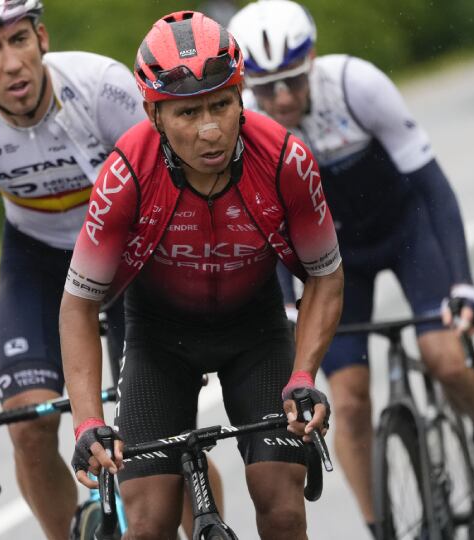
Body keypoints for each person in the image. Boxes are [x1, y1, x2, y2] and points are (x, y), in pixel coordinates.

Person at [229, 0, 474, 534]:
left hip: (405, 233)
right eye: (268, 89)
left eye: (293, 80)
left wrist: (463, 284)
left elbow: (432, 185)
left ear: (312, 58)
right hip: (336, 261)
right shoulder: (245, 124)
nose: (284, 98)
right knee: (351, 400)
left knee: (446, 358)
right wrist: (287, 306)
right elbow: (262, 224)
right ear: (249, 86)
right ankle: (379, 527)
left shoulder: (357, 86)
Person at [60, 11, 344, 540]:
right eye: (188, 113)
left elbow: (325, 275)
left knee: (281, 508)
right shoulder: (125, 176)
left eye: (221, 105)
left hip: (256, 334)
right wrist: (87, 422)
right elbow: (79, 303)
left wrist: (304, 375)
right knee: (146, 524)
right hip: (159, 341)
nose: (210, 130)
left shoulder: (285, 157)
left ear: (241, 97)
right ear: (154, 114)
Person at [0, 0, 143, 537]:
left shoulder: (103, 89)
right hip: (38, 259)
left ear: (42, 37)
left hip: (124, 255)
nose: (10, 63)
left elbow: (175, 203)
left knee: (148, 428)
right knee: (27, 420)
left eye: (19, 40)